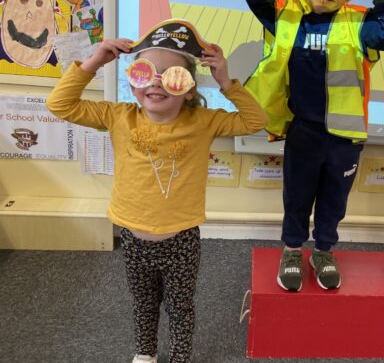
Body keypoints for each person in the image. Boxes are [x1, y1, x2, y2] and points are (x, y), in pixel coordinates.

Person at [46, 20, 267, 363]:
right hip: (133, 240)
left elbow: (256, 121)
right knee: (144, 303)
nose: (157, 82)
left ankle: (179, 356)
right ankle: (145, 353)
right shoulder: (118, 116)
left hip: (181, 240)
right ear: (133, 84)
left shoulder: (203, 122)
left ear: (189, 89)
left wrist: (225, 81)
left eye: (173, 76)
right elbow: (59, 104)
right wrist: (95, 60)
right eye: (145, 72)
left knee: (180, 307)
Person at [244, 0, 384, 291]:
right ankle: (292, 250)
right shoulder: (288, 16)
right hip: (303, 131)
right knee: (297, 197)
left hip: (344, 140)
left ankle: (322, 251)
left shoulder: (360, 24)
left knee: (333, 202)